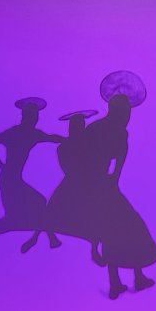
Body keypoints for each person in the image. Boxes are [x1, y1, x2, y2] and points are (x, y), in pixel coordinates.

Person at [84, 71, 156, 300]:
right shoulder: (112, 133)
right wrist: (105, 186)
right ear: (115, 110)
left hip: (100, 186)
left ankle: (123, 281)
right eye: (124, 112)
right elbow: (113, 169)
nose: (127, 116)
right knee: (128, 227)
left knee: (119, 229)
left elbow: (114, 168)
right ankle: (130, 279)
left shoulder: (101, 130)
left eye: (128, 113)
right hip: (101, 186)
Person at [0, 98, 64, 258]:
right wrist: (1, 164)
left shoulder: (33, 134)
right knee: (13, 217)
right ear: (24, 117)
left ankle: (50, 238)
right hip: (8, 179)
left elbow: (51, 137)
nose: (34, 120)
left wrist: (69, 139)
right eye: (32, 117)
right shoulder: (14, 132)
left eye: (36, 118)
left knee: (37, 203)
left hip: (14, 178)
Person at [46, 110, 105, 264]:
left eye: (80, 125)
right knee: (53, 206)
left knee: (98, 213)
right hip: (74, 180)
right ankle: (52, 238)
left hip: (87, 180)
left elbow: (97, 161)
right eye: (76, 125)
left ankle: (95, 248)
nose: (79, 128)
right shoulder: (63, 147)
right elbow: (66, 166)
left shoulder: (90, 144)